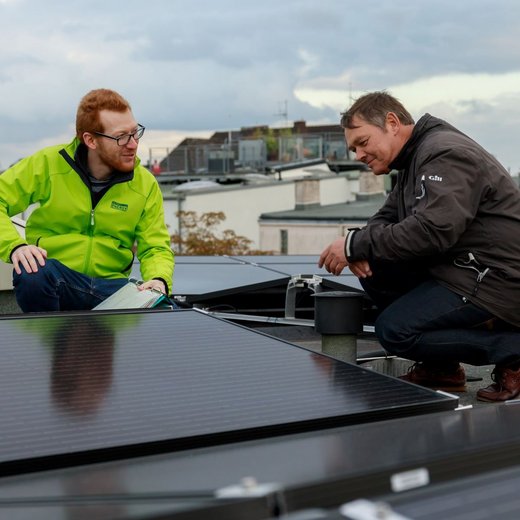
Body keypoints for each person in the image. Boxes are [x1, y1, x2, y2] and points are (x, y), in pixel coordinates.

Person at [319, 91, 520, 403]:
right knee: (377, 270)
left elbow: (432, 231)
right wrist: (357, 246)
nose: (357, 155)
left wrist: (355, 244)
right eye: (353, 148)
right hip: (467, 269)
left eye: (362, 142)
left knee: (395, 331)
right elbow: (386, 217)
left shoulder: (444, 153)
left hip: (498, 281)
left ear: (392, 122)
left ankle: (513, 351)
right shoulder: (415, 158)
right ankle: (441, 369)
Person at [0, 88, 174, 312]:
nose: (133, 144)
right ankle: (46, 344)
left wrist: (159, 279)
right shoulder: (48, 164)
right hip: (57, 278)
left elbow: (156, 247)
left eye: (135, 133)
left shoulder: (145, 183)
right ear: (90, 140)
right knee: (31, 272)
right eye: (121, 137)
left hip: (113, 288)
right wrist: (15, 247)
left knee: (166, 309)